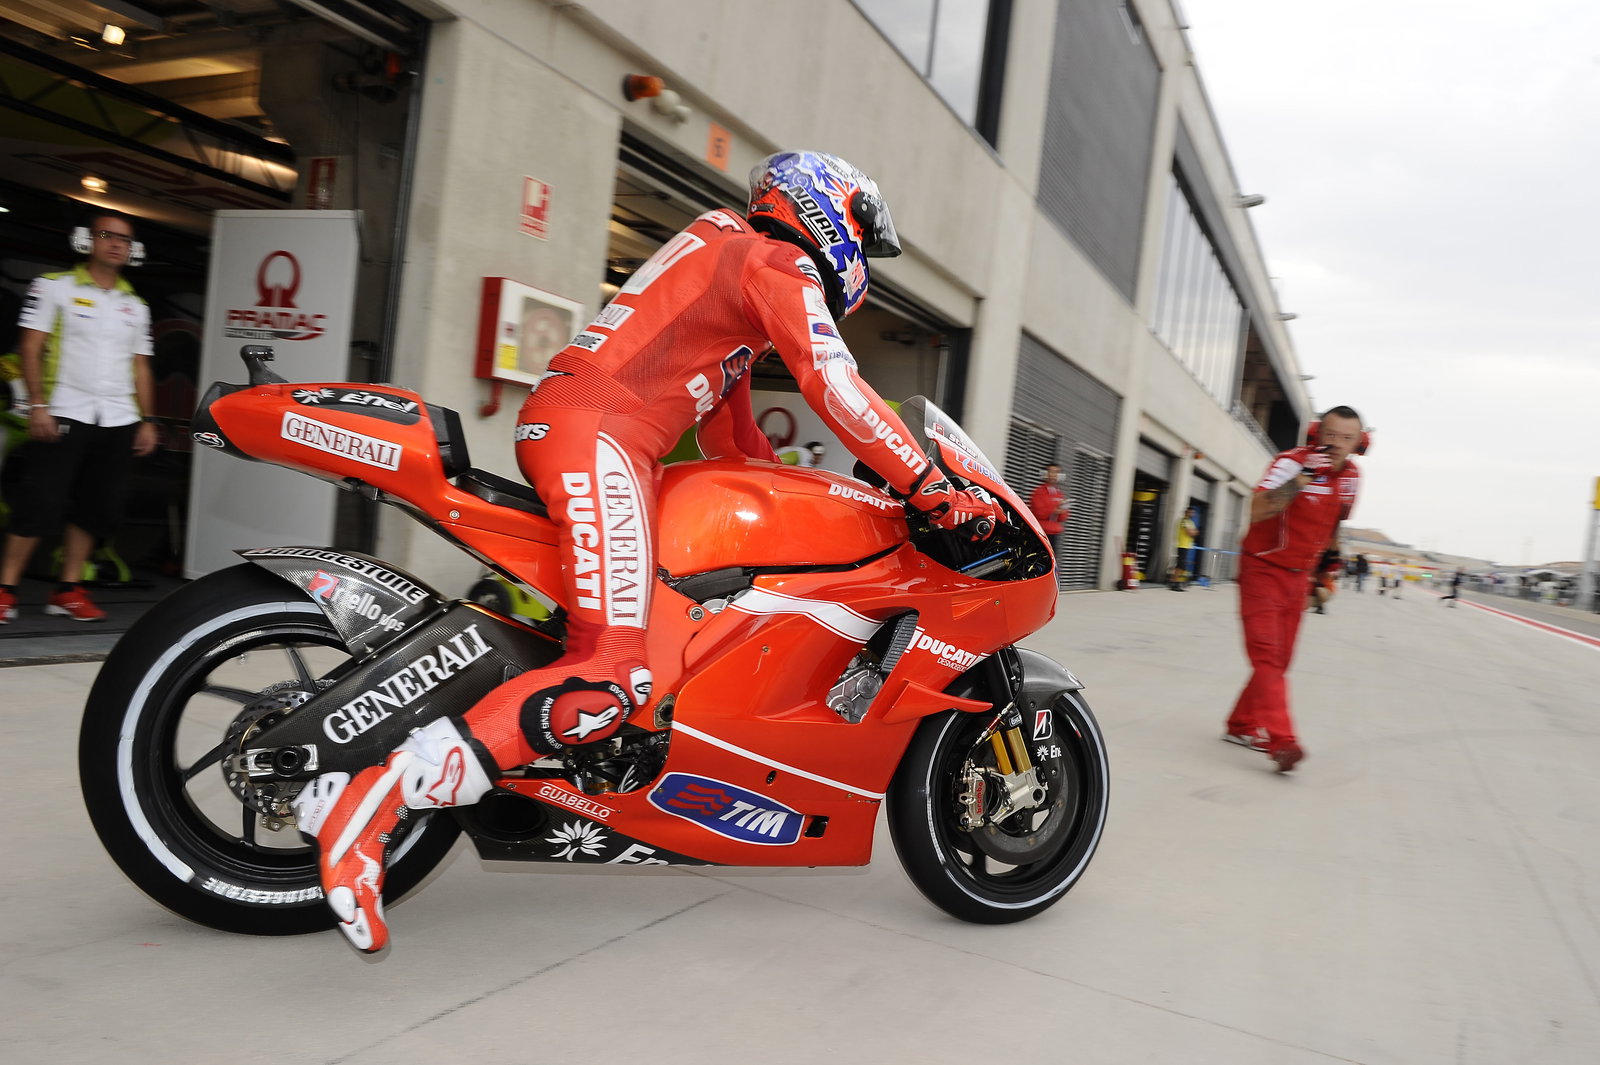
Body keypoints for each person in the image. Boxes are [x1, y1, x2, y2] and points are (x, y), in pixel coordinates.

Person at [290, 150, 1007, 952]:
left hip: (598, 436)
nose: (859, 261)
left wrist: (820, 506)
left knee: (640, 644)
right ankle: (371, 806)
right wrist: (929, 485)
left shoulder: (733, 261)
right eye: (861, 237)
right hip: (599, 437)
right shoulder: (775, 258)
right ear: (826, 209)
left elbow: (735, 442)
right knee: (612, 670)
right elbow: (832, 383)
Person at [0, 212, 158, 625]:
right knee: (38, 501)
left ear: (133, 250)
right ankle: (6, 590)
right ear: (86, 240)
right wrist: (36, 405)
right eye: (106, 235)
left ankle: (68, 589)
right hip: (63, 411)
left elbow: (141, 367)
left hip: (118, 418)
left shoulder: (135, 306)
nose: (115, 243)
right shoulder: (54, 287)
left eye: (124, 239)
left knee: (97, 508)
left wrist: (147, 419)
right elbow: (30, 347)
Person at [1222, 407, 1362, 773]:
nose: (1337, 444)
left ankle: (1240, 725)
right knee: (1267, 655)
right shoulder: (1290, 463)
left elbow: (1334, 524)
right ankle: (1283, 740)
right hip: (1262, 568)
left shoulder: (1351, 478)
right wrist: (1303, 478)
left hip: (1299, 577)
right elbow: (1257, 509)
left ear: (1359, 443)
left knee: (1281, 660)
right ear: (1317, 433)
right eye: (1331, 434)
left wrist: (1327, 571)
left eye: (1347, 438)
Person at [1028, 463, 1069, 556]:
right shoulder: (1038, 492)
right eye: (1051, 472)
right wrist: (1054, 510)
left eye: (1056, 472)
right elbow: (1037, 512)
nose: (1053, 475)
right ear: (1046, 474)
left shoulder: (1059, 494)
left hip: (1054, 533)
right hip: (1042, 531)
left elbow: (1063, 517)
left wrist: (1062, 512)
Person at [1171, 506, 1199, 590]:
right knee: (1180, 565)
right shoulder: (1184, 521)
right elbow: (1190, 533)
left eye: (1193, 512)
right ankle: (1175, 582)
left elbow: (1195, 532)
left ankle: (1176, 581)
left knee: (1182, 565)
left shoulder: (1190, 522)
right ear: (1186, 512)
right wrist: (1193, 532)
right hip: (1181, 545)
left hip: (1186, 545)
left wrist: (1193, 532)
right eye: (1190, 512)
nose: (1192, 514)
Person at [1307, 547, 1341, 614]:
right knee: (1304, 602)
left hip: (1326, 592)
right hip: (1314, 593)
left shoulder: (1327, 571)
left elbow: (1334, 576)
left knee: (1319, 588)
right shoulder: (1312, 570)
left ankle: (1320, 605)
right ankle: (1319, 606)